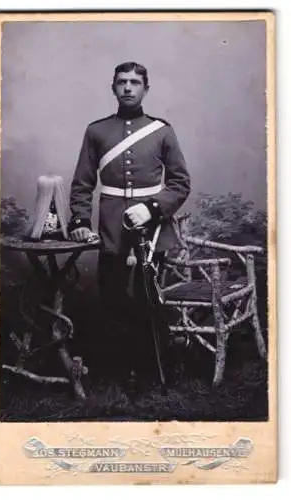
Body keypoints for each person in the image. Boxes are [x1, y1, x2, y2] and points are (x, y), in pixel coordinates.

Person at [68, 61, 190, 387]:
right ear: (113, 87)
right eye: (122, 82)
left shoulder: (161, 130)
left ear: (145, 89)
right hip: (111, 227)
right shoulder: (97, 131)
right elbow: (82, 182)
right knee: (112, 297)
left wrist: (152, 208)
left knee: (147, 297)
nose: (128, 87)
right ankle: (129, 365)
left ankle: (150, 369)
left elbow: (180, 183)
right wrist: (80, 219)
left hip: (152, 230)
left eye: (135, 82)